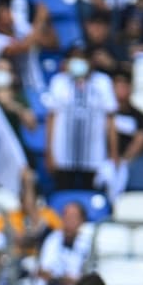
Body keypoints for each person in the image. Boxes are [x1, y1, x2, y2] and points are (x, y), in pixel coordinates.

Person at [44, 46, 117, 192]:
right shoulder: (59, 82)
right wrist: (50, 152)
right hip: (63, 154)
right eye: (74, 58)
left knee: (93, 196)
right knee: (63, 195)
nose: (78, 62)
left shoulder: (103, 82)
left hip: (94, 155)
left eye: (82, 58)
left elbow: (110, 120)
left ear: (90, 61)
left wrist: (113, 154)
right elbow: (51, 118)